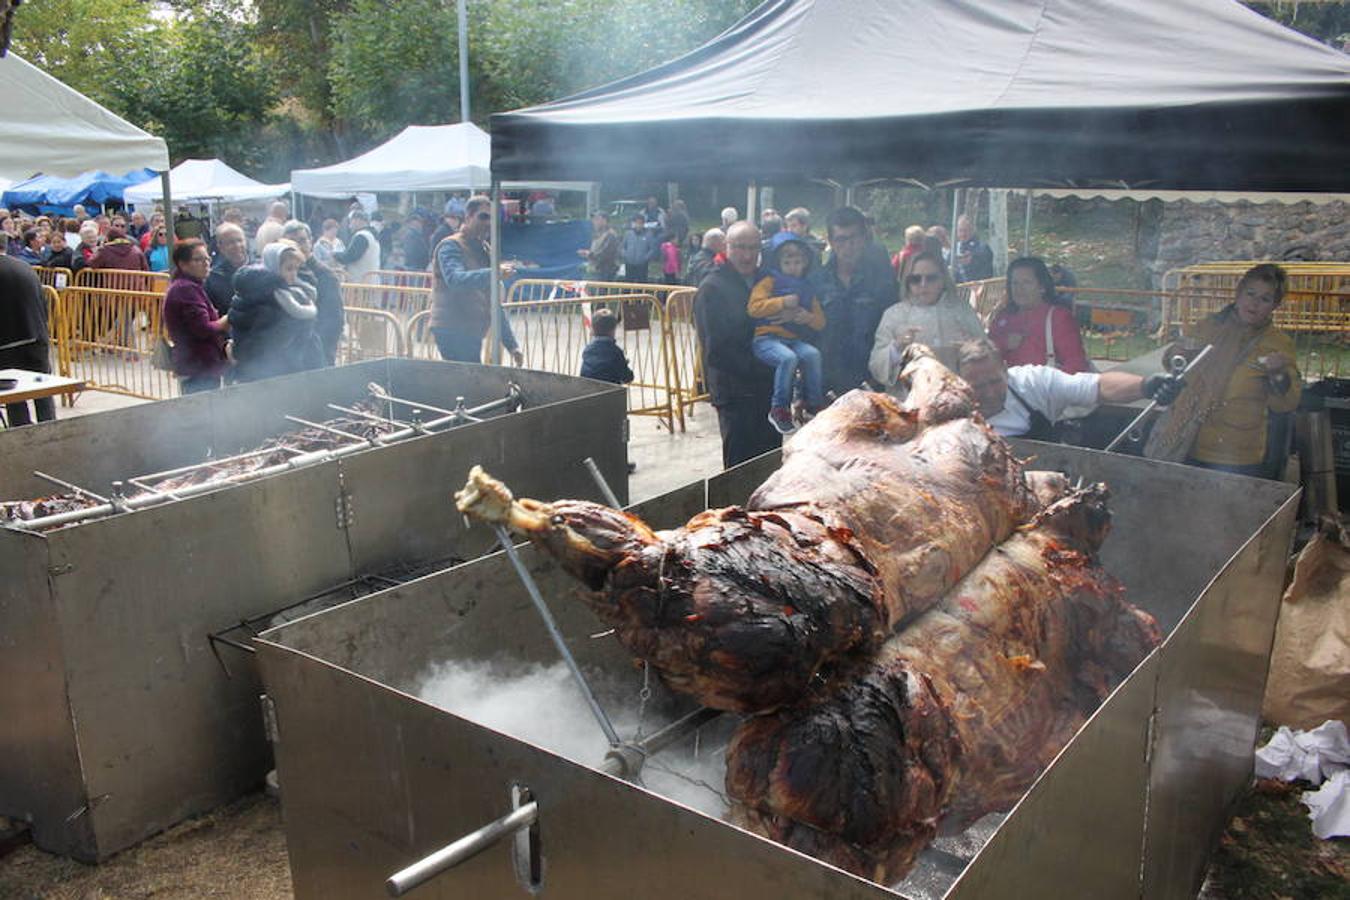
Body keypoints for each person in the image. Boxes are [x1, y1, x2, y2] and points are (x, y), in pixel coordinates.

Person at [1144, 263, 1301, 476]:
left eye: (1265, 299)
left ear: (1275, 306)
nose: (1254, 303)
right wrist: (1177, 355)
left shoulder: (1278, 344)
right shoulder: (1208, 327)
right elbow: (1173, 361)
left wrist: (1278, 374)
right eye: (1250, 293)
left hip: (1237, 455)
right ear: (1238, 294)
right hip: (1187, 443)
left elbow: (1286, 403)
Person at [956, 340, 1183, 441]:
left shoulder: (1033, 382)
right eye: (978, 386)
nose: (988, 393)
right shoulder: (949, 408)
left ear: (1006, 371)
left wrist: (1145, 386)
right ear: (959, 383)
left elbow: (1096, 386)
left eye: (994, 381)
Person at [693, 221, 780, 468]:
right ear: (726, 247)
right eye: (740, 247)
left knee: (770, 463)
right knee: (740, 468)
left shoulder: (766, 281)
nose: (747, 255)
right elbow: (716, 351)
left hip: (768, 391)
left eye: (753, 247)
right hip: (735, 394)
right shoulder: (712, 288)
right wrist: (764, 367)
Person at [870, 250, 985, 393]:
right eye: (916, 279)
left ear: (942, 280)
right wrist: (896, 347)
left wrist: (973, 349)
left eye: (931, 278)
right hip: (910, 403)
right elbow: (876, 367)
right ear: (907, 282)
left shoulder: (962, 310)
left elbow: (987, 354)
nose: (923, 284)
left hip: (957, 396)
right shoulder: (893, 315)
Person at [429, 195, 524, 366]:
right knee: (468, 383)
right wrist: (494, 273)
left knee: (468, 383)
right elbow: (456, 280)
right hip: (451, 328)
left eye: (492, 218)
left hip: (470, 330)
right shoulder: (450, 246)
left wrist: (511, 345)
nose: (488, 222)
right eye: (483, 216)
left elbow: (493, 301)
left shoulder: (485, 249)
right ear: (468, 217)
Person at [814, 205, 897, 395]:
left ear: (864, 239)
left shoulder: (883, 281)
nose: (848, 246)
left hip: (871, 383)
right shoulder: (816, 281)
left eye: (854, 238)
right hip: (826, 385)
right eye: (841, 240)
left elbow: (893, 331)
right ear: (831, 242)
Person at [747, 236, 826, 434]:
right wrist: (782, 302)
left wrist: (807, 317)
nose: (792, 267)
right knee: (787, 359)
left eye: (797, 262)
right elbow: (753, 308)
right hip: (766, 338)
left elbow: (820, 322)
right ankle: (779, 408)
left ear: (805, 263)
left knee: (813, 354)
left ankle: (813, 404)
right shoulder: (769, 281)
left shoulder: (807, 287)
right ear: (779, 263)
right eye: (787, 262)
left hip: (792, 339)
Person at [228, 240, 323, 382]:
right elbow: (268, 346)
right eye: (289, 268)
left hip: (263, 374)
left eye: (296, 268)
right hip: (276, 376)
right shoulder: (275, 303)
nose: (294, 274)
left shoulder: (255, 293)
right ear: (274, 268)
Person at [988, 256, 1090, 374]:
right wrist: (1003, 344)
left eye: (1027, 282)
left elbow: (1076, 364)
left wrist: (1048, 385)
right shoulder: (1003, 317)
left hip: (1048, 389)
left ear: (1042, 287)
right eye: (1015, 283)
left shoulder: (1059, 318)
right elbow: (984, 356)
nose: (1019, 289)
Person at [0, 234, 56, 426]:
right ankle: (50, 429)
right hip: (36, 336)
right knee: (43, 391)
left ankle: (24, 435)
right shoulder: (24, 266)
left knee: (14, 397)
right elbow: (43, 302)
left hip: (6, 343)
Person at [162, 239, 230, 394]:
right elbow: (203, 328)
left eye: (207, 259)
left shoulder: (190, 286)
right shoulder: (185, 289)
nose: (205, 263)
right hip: (198, 368)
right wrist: (227, 320)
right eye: (198, 260)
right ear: (183, 264)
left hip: (199, 365)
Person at [283, 220, 344, 366]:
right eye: (292, 241)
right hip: (289, 357)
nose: (298, 245)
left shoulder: (325, 276)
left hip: (316, 355)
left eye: (302, 240)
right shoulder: (280, 275)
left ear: (311, 241)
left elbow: (333, 322)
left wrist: (322, 355)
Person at [580, 308, 634, 384]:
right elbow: (628, 377)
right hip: (609, 392)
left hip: (588, 390)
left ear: (592, 330)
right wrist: (624, 364)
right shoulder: (616, 352)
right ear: (613, 331)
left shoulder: (588, 350)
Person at [205, 223, 248, 315]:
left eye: (240, 240)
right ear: (220, 247)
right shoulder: (213, 278)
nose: (237, 245)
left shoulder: (261, 270)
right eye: (231, 242)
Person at [332, 209, 381, 283]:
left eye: (351, 221)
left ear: (357, 220)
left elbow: (349, 256)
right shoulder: (371, 235)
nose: (349, 226)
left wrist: (335, 254)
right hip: (370, 280)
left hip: (359, 281)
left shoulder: (362, 236)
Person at [578, 211, 620, 281]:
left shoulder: (610, 235)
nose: (594, 222)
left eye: (597, 219)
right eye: (594, 219)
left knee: (603, 291)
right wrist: (588, 254)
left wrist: (589, 254)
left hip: (606, 271)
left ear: (604, 221)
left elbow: (604, 254)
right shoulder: (598, 234)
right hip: (598, 270)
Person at [954, 214, 994, 282]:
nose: (963, 234)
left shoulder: (982, 247)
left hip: (978, 288)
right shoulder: (954, 249)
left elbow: (984, 256)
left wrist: (972, 258)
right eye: (960, 230)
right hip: (958, 289)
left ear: (972, 230)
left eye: (966, 230)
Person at [621, 214, 656, 284]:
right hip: (629, 264)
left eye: (640, 223)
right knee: (628, 284)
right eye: (636, 223)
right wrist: (626, 255)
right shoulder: (628, 233)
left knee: (642, 284)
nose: (638, 225)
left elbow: (652, 249)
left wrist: (645, 258)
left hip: (642, 265)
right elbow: (622, 247)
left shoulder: (648, 235)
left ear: (643, 224)